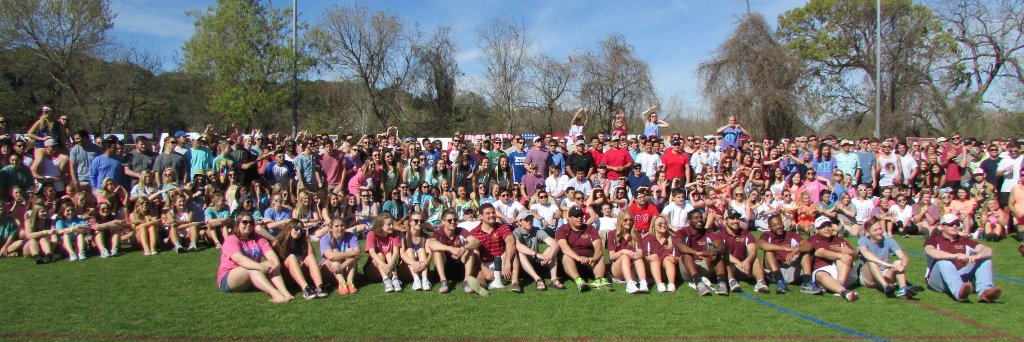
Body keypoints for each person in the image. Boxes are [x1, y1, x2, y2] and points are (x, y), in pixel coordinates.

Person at [924, 214, 1003, 303]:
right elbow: (930, 251)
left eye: (957, 224)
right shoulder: (933, 239)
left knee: (985, 259)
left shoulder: (964, 240)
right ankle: (959, 292)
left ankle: (984, 292)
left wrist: (977, 257)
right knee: (943, 261)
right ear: (942, 227)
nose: (955, 226)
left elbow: (988, 250)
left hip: (959, 275)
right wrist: (955, 256)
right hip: (937, 279)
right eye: (950, 224)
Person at [216, 214, 294, 303]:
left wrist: (277, 264)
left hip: (250, 277)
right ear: (238, 224)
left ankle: (284, 292)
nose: (248, 225)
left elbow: (270, 254)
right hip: (229, 279)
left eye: (251, 223)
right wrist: (260, 267)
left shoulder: (258, 239)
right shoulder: (231, 240)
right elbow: (239, 259)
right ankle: (275, 294)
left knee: (271, 264)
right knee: (253, 268)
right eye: (245, 222)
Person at [858, 219, 920, 298]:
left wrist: (903, 265)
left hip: (885, 273)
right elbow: (865, 253)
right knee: (871, 262)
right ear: (868, 232)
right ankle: (886, 287)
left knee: (898, 262)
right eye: (875, 230)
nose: (879, 232)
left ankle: (903, 289)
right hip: (868, 278)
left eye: (880, 229)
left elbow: (903, 257)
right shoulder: (863, 241)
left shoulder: (889, 240)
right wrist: (883, 263)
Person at [674, 210, 730, 296]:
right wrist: (696, 252)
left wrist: (714, 251)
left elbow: (721, 244)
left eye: (701, 217)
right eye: (696, 218)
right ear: (689, 221)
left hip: (704, 265)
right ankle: (698, 283)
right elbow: (679, 244)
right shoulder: (682, 232)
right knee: (686, 254)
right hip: (687, 269)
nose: (699, 220)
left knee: (717, 255)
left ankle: (721, 283)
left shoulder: (707, 232)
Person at [465, 203, 515, 294]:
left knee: (513, 248)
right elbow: (475, 255)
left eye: (493, 212)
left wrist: (507, 262)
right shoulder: (474, 232)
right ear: (480, 216)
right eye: (488, 213)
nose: (492, 215)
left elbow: (510, 240)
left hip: (501, 261)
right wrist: (484, 269)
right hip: (484, 264)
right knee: (480, 275)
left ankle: (514, 283)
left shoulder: (502, 227)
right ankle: (479, 287)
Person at [806, 217, 859, 302]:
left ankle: (840, 285)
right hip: (824, 273)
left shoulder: (839, 239)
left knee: (846, 256)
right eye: (823, 227)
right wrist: (840, 255)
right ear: (817, 229)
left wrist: (850, 252)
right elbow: (820, 252)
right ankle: (844, 292)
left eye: (829, 226)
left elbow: (856, 256)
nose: (827, 229)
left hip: (844, 273)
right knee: (820, 274)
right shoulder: (812, 239)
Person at [757, 215, 814, 294]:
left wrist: (796, 250)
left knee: (805, 253)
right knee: (768, 251)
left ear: (783, 223)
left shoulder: (791, 234)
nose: (778, 227)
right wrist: (784, 248)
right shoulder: (767, 234)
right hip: (775, 269)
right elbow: (761, 244)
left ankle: (807, 284)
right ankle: (780, 283)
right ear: (769, 227)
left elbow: (808, 245)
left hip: (791, 267)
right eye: (774, 225)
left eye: (779, 223)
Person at [427, 210, 479, 294]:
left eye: (455, 220)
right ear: (443, 222)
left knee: (470, 250)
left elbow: (476, 241)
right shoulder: (438, 233)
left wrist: (463, 249)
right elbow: (431, 244)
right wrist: (450, 248)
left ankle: (466, 281)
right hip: (445, 266)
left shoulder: (461, 230)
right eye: (449, 220)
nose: (453, 222)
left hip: (460, 266)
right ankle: (443, 281)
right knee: (437, 251)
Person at [557, 206, 608, 291]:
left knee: (600, 256)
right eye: (576, 216)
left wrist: (594, 258)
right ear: (569, 218)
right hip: (572, 260)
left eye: (581, 215)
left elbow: (598, 245)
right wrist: (578, 257)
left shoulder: (590, 228)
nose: (579, 218)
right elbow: (564, 247)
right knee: (566, 256)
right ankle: (579, 280)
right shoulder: (563, 229)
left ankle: (599, 280)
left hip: (589, 260)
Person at [510, 211, 561, 292]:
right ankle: (537, 279)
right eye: (526, 220)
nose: (529, 221)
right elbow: (518, 246)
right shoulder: (516, 232)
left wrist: (549, 257)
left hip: (536, 262)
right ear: (520, 222)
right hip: (522, 266)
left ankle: (554, 279)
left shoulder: (537, 231)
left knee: (551, 249)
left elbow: (555, 244)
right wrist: (536, 254)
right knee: (521, 253)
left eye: (531, 219)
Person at [722, 211, 769, 293]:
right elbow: (723, 252)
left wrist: (747, 261)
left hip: (745, 266)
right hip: (730, 266)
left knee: (755, 259)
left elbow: (752, 250)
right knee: (723, 259)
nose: (736, 221)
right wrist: (739, 263)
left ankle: (760, 282)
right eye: (732, 218)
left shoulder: (746, 233)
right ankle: (732, 281)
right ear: (725, 221)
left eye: (737, 218)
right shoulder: (720, 234)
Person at [320, 218, 362, 295]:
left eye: (342, 225)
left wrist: (343, 265)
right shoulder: (325, 238)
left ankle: (349, 282)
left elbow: (359, 254)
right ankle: (342, 283)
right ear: (331, 228)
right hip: (330, 271)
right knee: (336, 254)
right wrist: (353, 253)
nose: (340, 228)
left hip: (345, 269)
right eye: (337, 226)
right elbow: (331, 256)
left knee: (349, 250)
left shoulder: (351, 236)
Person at [364, 213, 404, 293]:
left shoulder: (395, 234)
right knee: (380, 254)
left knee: (389, 254)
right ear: (381, 226)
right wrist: (386, 266)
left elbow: (396, 252)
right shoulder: (371, 234)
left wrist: (390, 265)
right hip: (373, 269)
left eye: (392, 224)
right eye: (389, 225)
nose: (392, 227)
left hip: (390, 267)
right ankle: (386, 280)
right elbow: (372, 253)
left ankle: (394, 279)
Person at [641, 215, 678, 293]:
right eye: (660, 224)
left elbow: (678, 256)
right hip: (651, 270)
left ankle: (671, 284)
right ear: (654, 226)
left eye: (665, 223)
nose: (663, 225)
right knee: (655, 259)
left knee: (668, 259)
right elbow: (642, 257)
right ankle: (659, 284)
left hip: (667, 269)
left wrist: (675, 259)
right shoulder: (647, 239)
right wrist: (649, 258)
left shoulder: (672, 239)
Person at [402, 213, 433, 291]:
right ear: (410, 222)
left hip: (423, 268)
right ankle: (416, 280)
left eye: (421, 221)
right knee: (409, 250)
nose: (419, 223)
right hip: (408, 268)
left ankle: (425, 280)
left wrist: (424, 264)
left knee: (422, 250)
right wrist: (413, 263)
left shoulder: (426, 237)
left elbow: (430, 253)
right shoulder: (403, 236)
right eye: (416, 221)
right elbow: (402, 253)